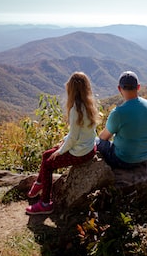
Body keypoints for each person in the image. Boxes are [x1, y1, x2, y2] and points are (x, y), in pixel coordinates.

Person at [26, 72, 99, 215]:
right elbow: (79, 133)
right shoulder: (89, 105)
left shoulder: (75, 110)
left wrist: (60, 151)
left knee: (48, 163)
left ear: (71, 89)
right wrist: (63, 142)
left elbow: (73, 137)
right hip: (89, 147)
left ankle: (45, 203)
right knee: (46, 154)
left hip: (80, 152)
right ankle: (39, 184)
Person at [97, 71, 147, 169]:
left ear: (119, 88)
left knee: (96, 142)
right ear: (138, 87)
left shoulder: (118, 112)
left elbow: (104, 137)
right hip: (144, 158)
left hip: (123, 160)